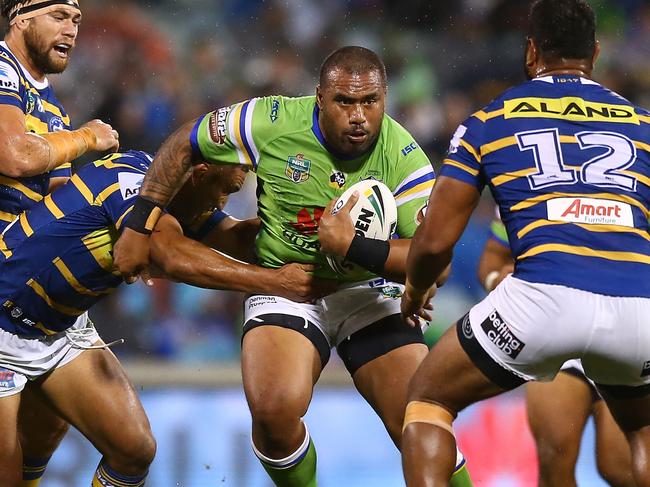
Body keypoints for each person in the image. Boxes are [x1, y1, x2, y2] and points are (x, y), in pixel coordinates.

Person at [111, 47, 473, 486]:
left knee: (420, 419)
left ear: (385, 98)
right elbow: (188, 139)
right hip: (288, 282)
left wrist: (352, 246)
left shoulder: (405, 157)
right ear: (319, 98)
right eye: (345, 101)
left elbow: (433, 260)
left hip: (369, 293)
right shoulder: (272, 120)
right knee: (273, 411)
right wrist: (141, 217)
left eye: (370, 101)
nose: (359, 115)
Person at [400, 1, 650, 485]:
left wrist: (415, 290)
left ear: (531, 50)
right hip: (638, 308)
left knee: (428, 398)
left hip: (543, 299)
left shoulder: (488, 122)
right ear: (595, 53)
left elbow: (436, 241)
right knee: (642, 431)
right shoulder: (643, 126)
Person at [0, 149, 330, 487]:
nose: (223, 203)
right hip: (3, 319)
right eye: (225, 191)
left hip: (58, 328)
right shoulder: (135, 185)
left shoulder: (181, 196)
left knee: (133, 450)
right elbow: (170, 255)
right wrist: (275, 283)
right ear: (200, 174)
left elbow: (241, 239)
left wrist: (309, 226)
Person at [0, 1, 120, 484]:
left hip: (28, 292)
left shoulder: (52, 108)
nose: (71, 28)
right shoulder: (2, 71)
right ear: (20, 18)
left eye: (76, 20)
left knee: (127, 445)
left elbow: (58, 205)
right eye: (58, 15)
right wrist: (87, 137)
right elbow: (13, 155)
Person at [479, 215, 636, 487]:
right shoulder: (522, 178)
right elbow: (493, 257)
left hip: (624, 326)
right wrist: (498, 280)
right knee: (554, 457)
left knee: (620, 465)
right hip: (555, 329)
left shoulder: (635, 179)